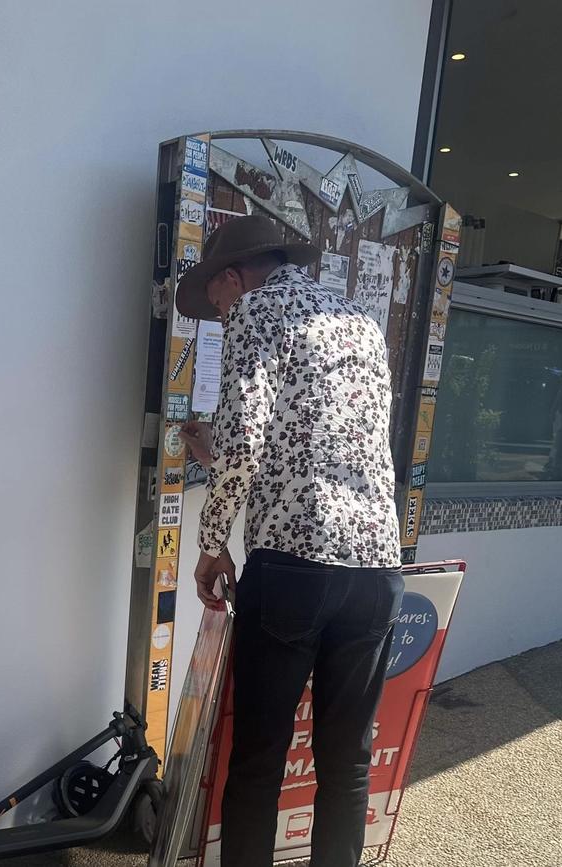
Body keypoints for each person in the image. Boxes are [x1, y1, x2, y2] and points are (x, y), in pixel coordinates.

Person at [176, 215, 403, 867]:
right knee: (346, 763)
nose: (221, 315)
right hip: (375, 565)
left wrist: (212, 541)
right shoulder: (359, 320)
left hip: (294, 566)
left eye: (217, 302)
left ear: (232, 277)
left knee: (256, 761)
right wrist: (213, 449)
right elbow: (324, 436)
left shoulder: (256, 308)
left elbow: (246, 444)